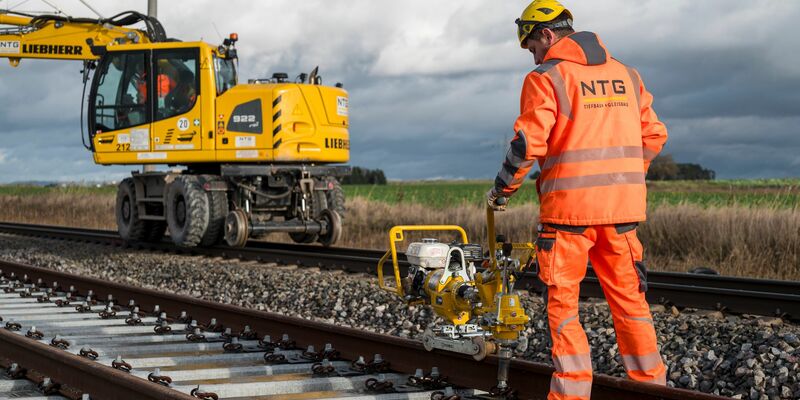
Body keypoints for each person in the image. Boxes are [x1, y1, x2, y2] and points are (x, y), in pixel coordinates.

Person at [485, 1, 669, 399]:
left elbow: (528, 143)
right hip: (621, 217)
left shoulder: (547, 77)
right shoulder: (627, 75)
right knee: (631, 306)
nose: (533, 56)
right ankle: (654, 389)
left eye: (532, 46)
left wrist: (502, 189)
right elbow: (654, 135)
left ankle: (571, 395)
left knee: (565, 310)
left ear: (547, 35)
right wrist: (621, 180)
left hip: (567, 219)